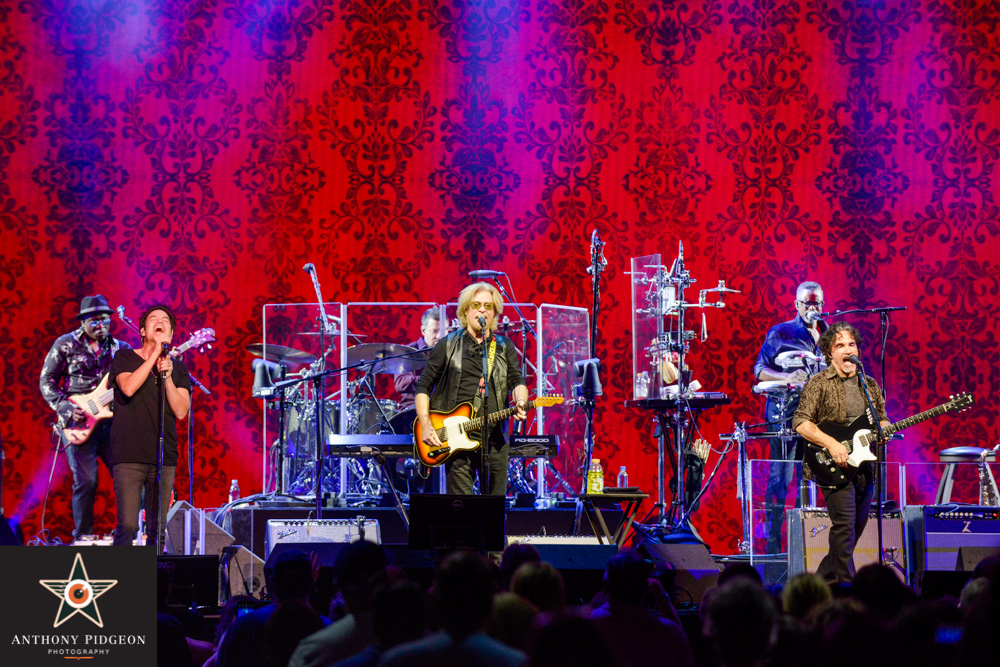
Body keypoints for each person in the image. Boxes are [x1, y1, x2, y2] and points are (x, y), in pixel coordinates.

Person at [793, 321, 890, 584]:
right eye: (840, 346)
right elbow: (801, 422)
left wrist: (886, 428)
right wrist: (832, 444)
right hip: (832, 466)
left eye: (851, 344)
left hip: (864, 465)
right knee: (844, 528)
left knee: (853, 532)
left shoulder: (868, 384)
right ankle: (848, 590)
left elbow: (881, 418)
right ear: (829, 353)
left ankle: (818, 585)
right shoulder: (819, 383)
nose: (847, 350)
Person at [414, 282, 528, 495]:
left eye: (488, 306)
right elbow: (423, 387)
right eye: (477, 304)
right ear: (466, 310)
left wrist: (520, 400)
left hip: (495, 440)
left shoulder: (504, 347)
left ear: (494, 313)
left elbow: (517, 381)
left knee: (494, 511)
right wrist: (426, 424)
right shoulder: (447, 344)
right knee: (461, 510)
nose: (483, 309)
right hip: (456, 439)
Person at [40, 294, 132, 540]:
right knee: (87, 482)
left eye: (104, 320)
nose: (100, 326)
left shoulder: (120, 348)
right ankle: (83, 538)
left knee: (128, 479)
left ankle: (130, 537)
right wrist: (66, 409)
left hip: (112, 424)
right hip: (78, 423)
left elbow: (132, 382)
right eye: (94, 322)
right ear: (83, 322)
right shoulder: (65, 344)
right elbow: (46, 380)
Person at [753, 281, 827, 558]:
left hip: (815, 417)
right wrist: (787, 377)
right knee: (781, 478)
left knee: (808, 477)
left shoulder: (827, 335)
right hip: (784, 413)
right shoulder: (782, 332)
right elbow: (759, 370)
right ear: (796, 304)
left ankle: (802, 544)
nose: (812, 307)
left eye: (817, 303)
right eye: (807, 302)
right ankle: (772, 547)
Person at [108, 305, 191, 548]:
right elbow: (129, 387)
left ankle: (153, 584)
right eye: (153, 319)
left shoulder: (178, 369)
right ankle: (117, 580)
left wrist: (166, 377)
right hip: (129, 455)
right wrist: (154, 354)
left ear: (171, 333)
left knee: (158, 530)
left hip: (163, 457)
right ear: (143, 331)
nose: (160, 322)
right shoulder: (124, 357)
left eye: (165, 320)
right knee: (128, 526)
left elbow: (180, 410)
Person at [394, 306, 442, 410]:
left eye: (443, 331)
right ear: (423, 330)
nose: (439, 336)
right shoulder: (408, 351)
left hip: (443, 410)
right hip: (413, 411)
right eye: (434, 331)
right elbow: (400, 382)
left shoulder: (452, 351)